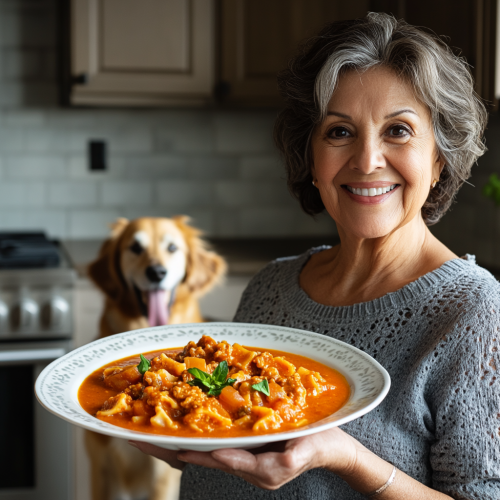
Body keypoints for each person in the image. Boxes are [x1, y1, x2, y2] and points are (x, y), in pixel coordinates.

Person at [130, 12, 500, 499]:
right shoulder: (271, 286)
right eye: (339, 132)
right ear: (312, 160)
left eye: (399, 130)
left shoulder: (473, 312)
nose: (367, 160)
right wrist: (174, 431)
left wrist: (349, 459)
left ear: (439, 159)